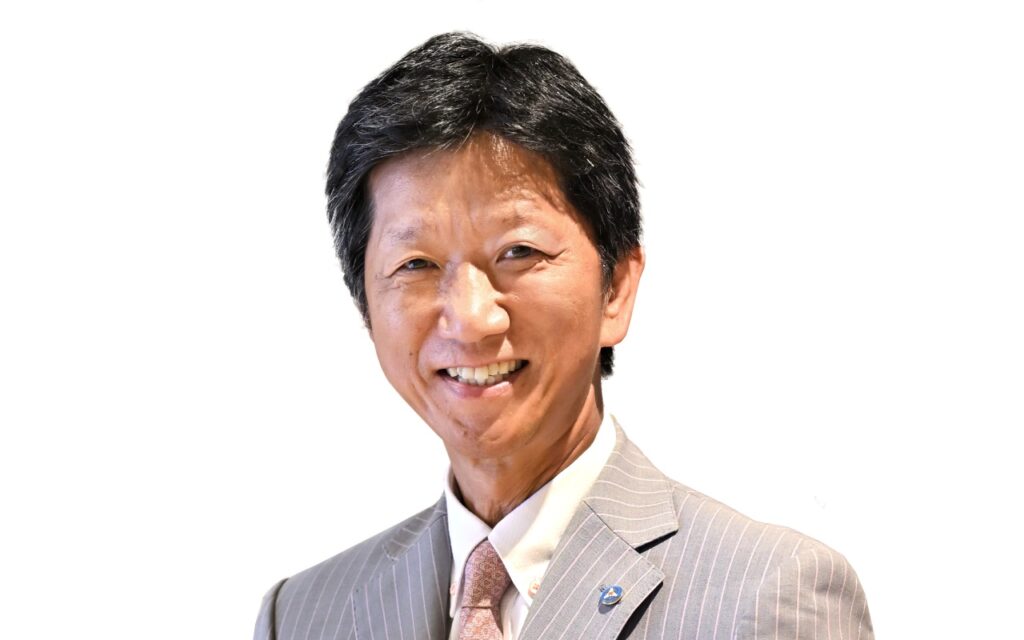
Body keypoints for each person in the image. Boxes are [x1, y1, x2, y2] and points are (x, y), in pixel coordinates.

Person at [253, 32, 873, 640]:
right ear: (366, 307)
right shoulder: (302, 617)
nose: (471, 317)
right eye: (415, 263)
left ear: (616, 288)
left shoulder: (769, 599)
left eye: (518, 252)